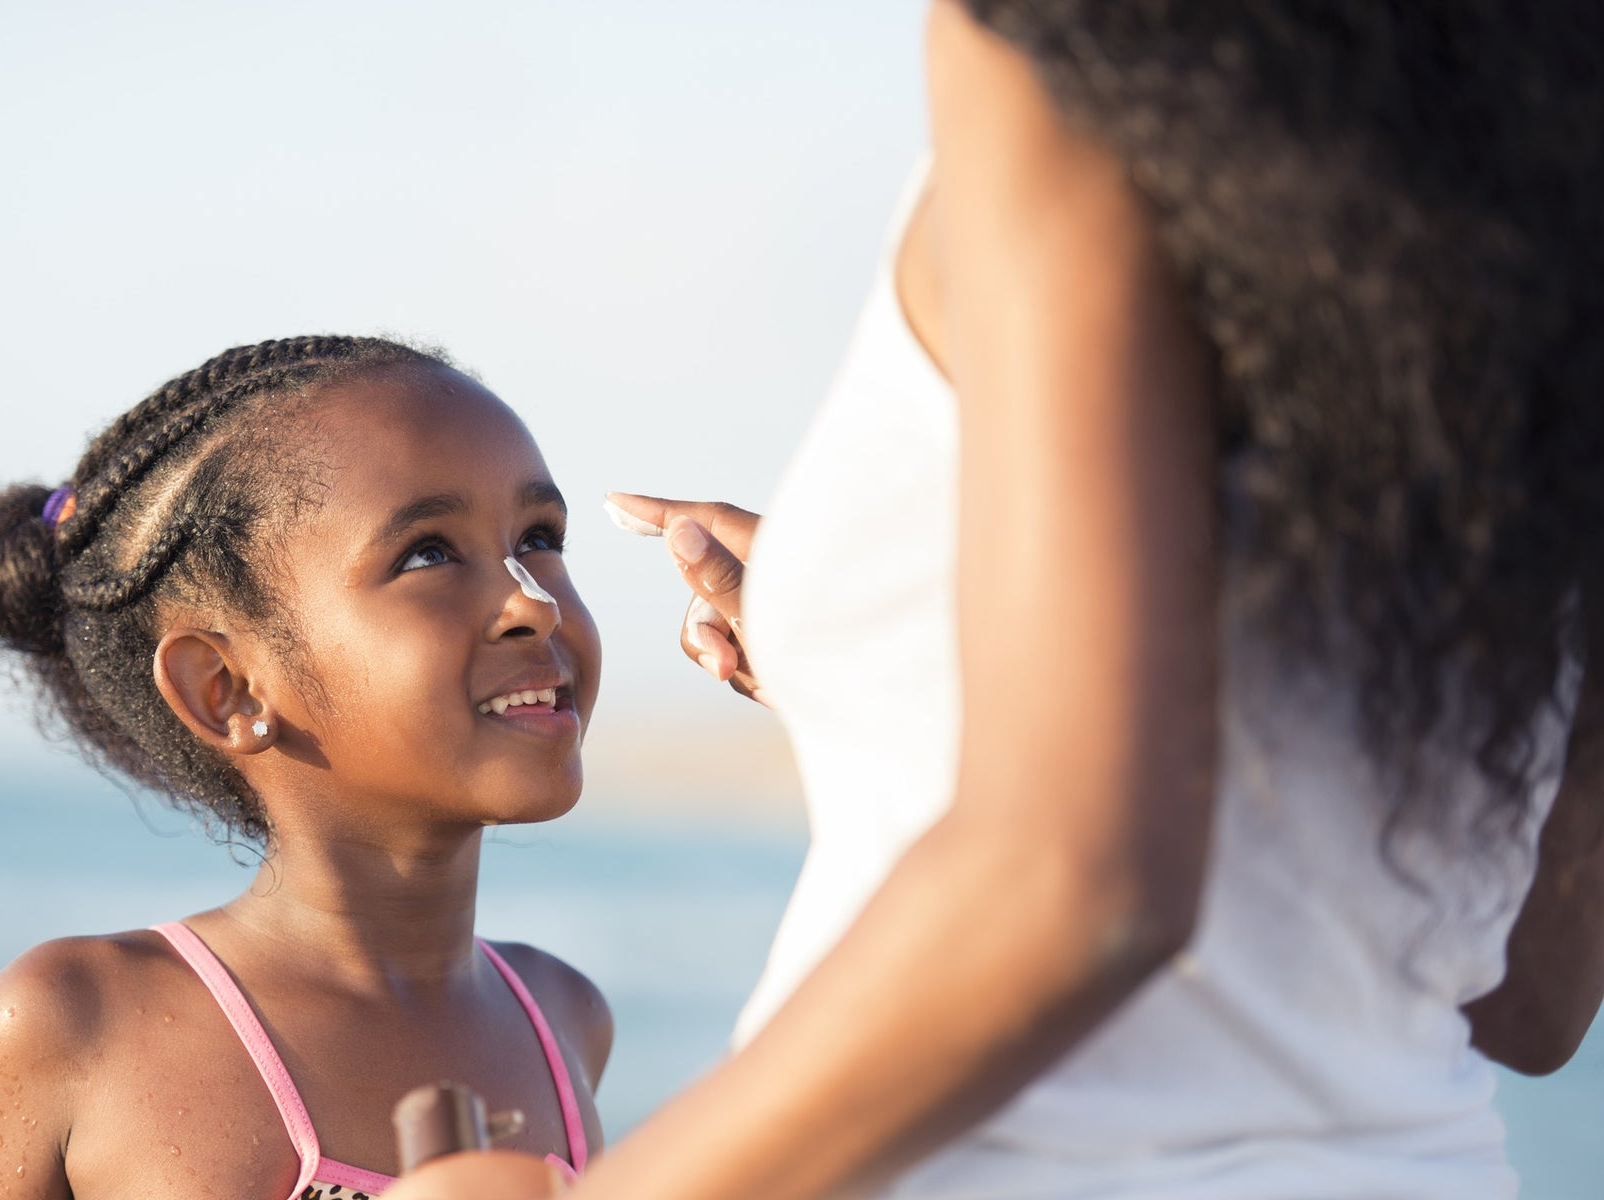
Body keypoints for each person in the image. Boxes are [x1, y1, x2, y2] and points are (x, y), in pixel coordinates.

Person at [387, 3, 1604, 1198]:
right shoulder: (1535, 167)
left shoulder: (1062, 56)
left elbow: (1075, 880)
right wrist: (888, 663)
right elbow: (1534, 989)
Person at [0, 336, 610, 1200]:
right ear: (226, 688)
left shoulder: (563, 1019)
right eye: (428, 552)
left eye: (539, 537)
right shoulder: (74, 1023)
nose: (532, 604)